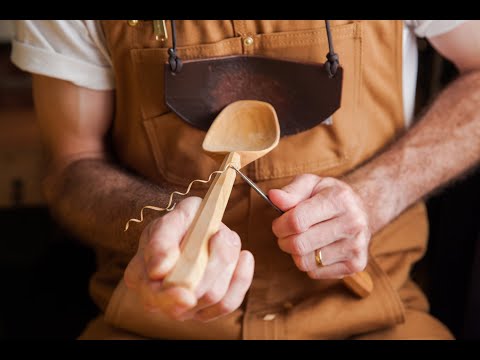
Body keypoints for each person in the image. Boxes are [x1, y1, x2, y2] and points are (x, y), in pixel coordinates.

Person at [11, 20, 480, 340]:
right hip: (152, 321)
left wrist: (378, 193)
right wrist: (150, 226)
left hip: (375, 317)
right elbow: (72, 163)